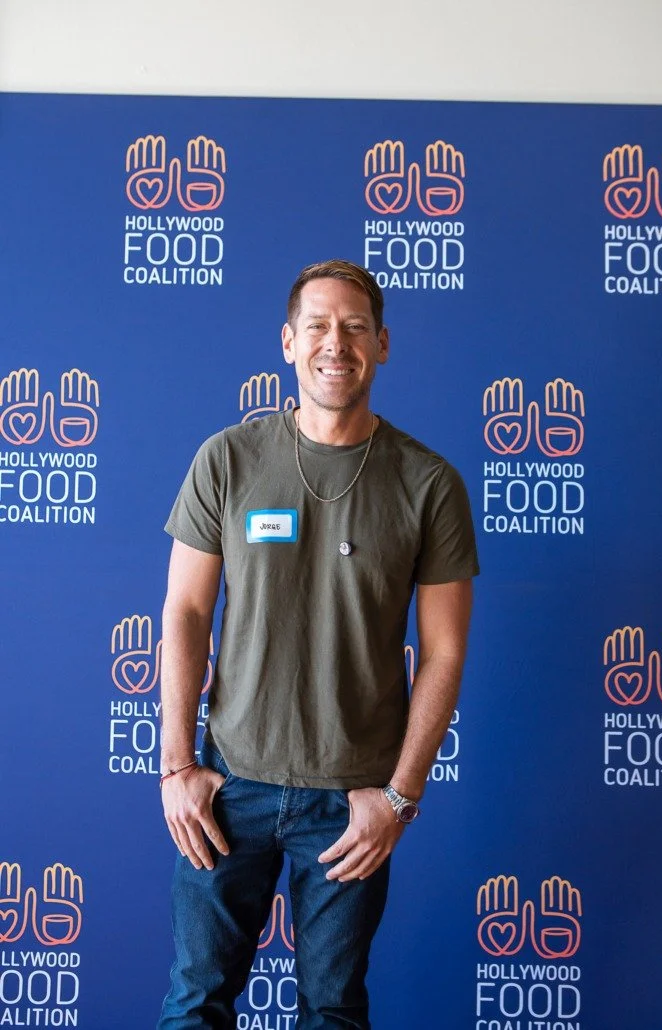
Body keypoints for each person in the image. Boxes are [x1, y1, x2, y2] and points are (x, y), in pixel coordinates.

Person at [157, 259, 479, 1029]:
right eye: (319, 326)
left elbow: (443, 654)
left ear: (382, 345)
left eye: (356, 327)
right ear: (288, 343)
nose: (337, 343)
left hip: (351, 803)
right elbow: (185, 614)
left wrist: (397, 799)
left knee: (332, 1012)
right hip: (228, 790)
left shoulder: (428, 483)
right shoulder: (227, 460)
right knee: (194, 1003)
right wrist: (177, 766)